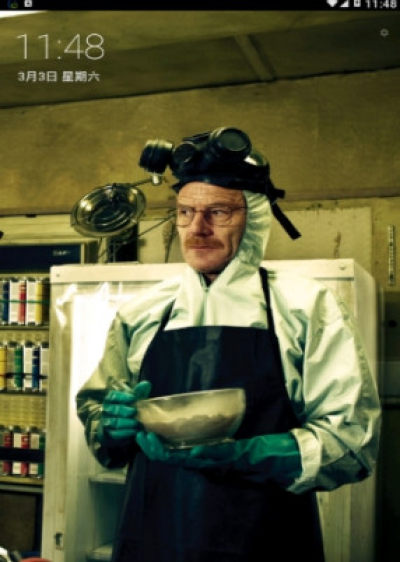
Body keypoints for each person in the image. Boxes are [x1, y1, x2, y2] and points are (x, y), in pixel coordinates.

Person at [76, 127, 381, 562]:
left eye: (218, 212)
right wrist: (111, 426)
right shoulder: (143, 312)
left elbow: (351, 441)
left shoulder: (305, 307)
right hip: (152, 538)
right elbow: (99, 419)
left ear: (253, 218)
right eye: (185, 212)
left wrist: (244, 454)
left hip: (263, 541)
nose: (197, 229)